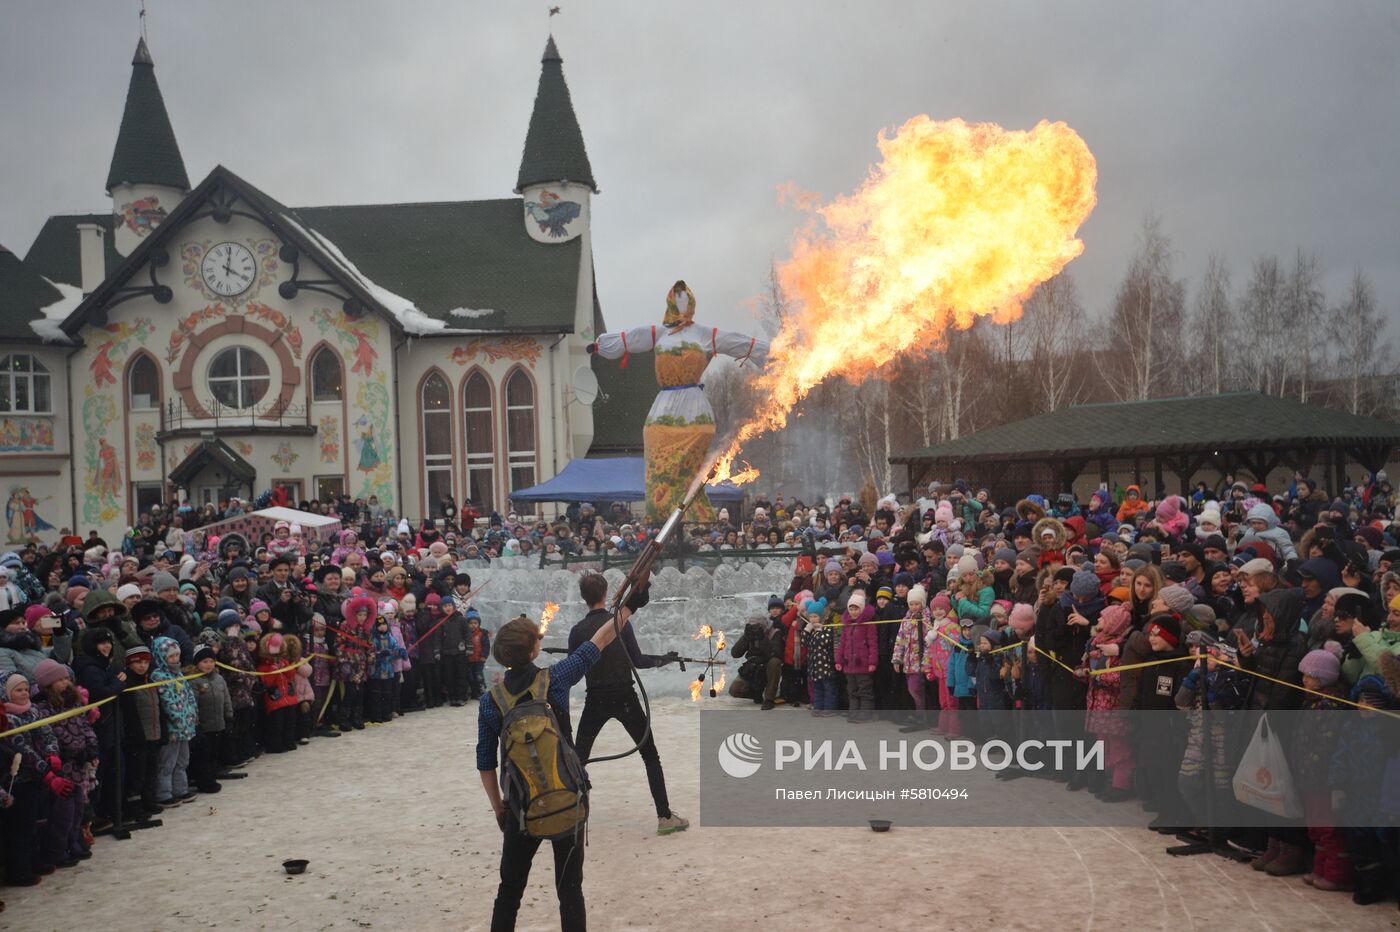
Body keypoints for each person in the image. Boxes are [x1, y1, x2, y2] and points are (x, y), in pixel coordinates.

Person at [477, 595, 641, 931]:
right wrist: (629, 607)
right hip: (568, 794)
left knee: (509, 891)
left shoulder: (489, 701)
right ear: (534, 651)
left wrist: (500, 808)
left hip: (521, 806)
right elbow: (601, 640)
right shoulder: (556, 678)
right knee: (570, 890)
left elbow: (485, 763)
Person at [567, 572, 689, 836]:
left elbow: (573, 668)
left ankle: (567, 816)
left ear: (583, 598)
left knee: (578, 759)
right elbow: (638, 661)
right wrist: (664, 659)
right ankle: (665, 816)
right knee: (650, 755)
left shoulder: (577, 631)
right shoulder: (619, 623)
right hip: (625, 697)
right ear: (605, 593)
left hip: (596, 697)